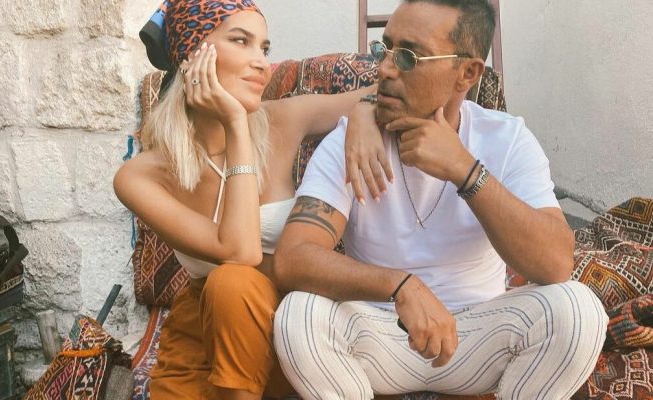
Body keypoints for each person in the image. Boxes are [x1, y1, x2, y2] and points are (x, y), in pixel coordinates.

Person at [272, 1, 608, 399]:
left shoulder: (505, 138)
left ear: (467, 73)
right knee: (298, 315)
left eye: (409, 57)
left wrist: (465, 171)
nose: (385, 69)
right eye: (384, 49)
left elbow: (555, 263)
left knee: (578, 311)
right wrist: (399, 286)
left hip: (480, 337)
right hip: (377, 332)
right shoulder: (351, 142)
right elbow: (293, 258)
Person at [114, 1, 385, 399]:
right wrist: (235, 125)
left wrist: (363, 112)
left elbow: (390, 92)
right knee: (229, 281)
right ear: (191, 57)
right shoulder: (141, 176)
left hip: (290, 327)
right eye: (241, 41)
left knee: (233, 281)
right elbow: (239, 250)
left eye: (264, 48)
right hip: (200, 342)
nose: (262, 63)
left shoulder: (283, 120)